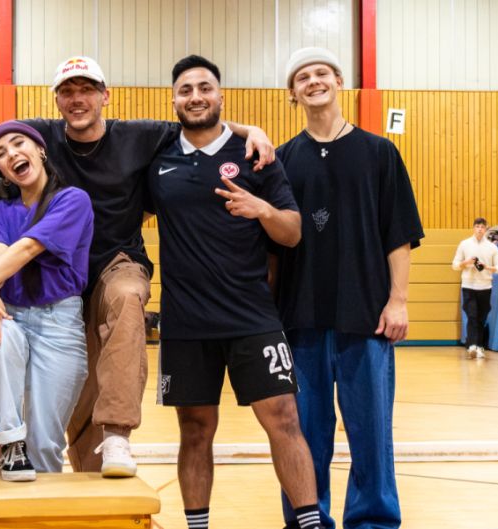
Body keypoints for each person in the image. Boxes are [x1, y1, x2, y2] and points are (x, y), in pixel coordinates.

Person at [0, 56, 276, 476]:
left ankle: (119, 435)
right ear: (56, 102)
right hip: (53, 302)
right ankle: (61, 474)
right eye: (68, 91)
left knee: (127, 300)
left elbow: (199, 122)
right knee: (65, 428)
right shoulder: (33, 149)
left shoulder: (129, 143)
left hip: (111, 267)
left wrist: (249, 128)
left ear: (105, 95)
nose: (78, 99)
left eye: (87, 89)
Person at [147, 55, 321, 529]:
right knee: (195, 432)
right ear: (175, 100)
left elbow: (292, 232)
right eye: (186, 90)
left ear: (221, 96)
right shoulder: (158, 155)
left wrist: (260, 207)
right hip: (186, 323)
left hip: (252, 317)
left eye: (205, 88)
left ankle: (309, 523)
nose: (196, 96)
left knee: (284, 420)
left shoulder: (257, 156)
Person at [273, 47, 424, 529]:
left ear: (339, 81)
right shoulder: (280, 160)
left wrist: (398, 300)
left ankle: (373, 521)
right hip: (299, 321)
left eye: (321, 73)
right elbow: (272, 247)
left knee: (371, 434)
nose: (313, 81)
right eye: (302, 77)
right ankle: (306, 519)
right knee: (302, 433)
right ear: (292, 94)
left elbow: (398, 235)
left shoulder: (380, 153)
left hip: (367, 318)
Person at [0, 121, 94, 481]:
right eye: (0, 154)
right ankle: (9, 442)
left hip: (60, 323)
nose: (11, 155)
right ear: (2, 171)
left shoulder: (72, 200)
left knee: (44, 449)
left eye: (18, 143)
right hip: (14, 316)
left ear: (40, 149)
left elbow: (28, 248)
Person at [452, 217, 498, 358]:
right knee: (472, 315)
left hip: (485, 287)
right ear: (473, 228)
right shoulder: (464, 244)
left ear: (486, 229)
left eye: (482, 227)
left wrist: (487, 267)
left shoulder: (492, 247)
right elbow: (455, 265)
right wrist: (466, 262)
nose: (479, 229)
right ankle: (471, 346)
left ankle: (479, 346)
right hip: (468, 286)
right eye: (477, 226)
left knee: (481, 317)